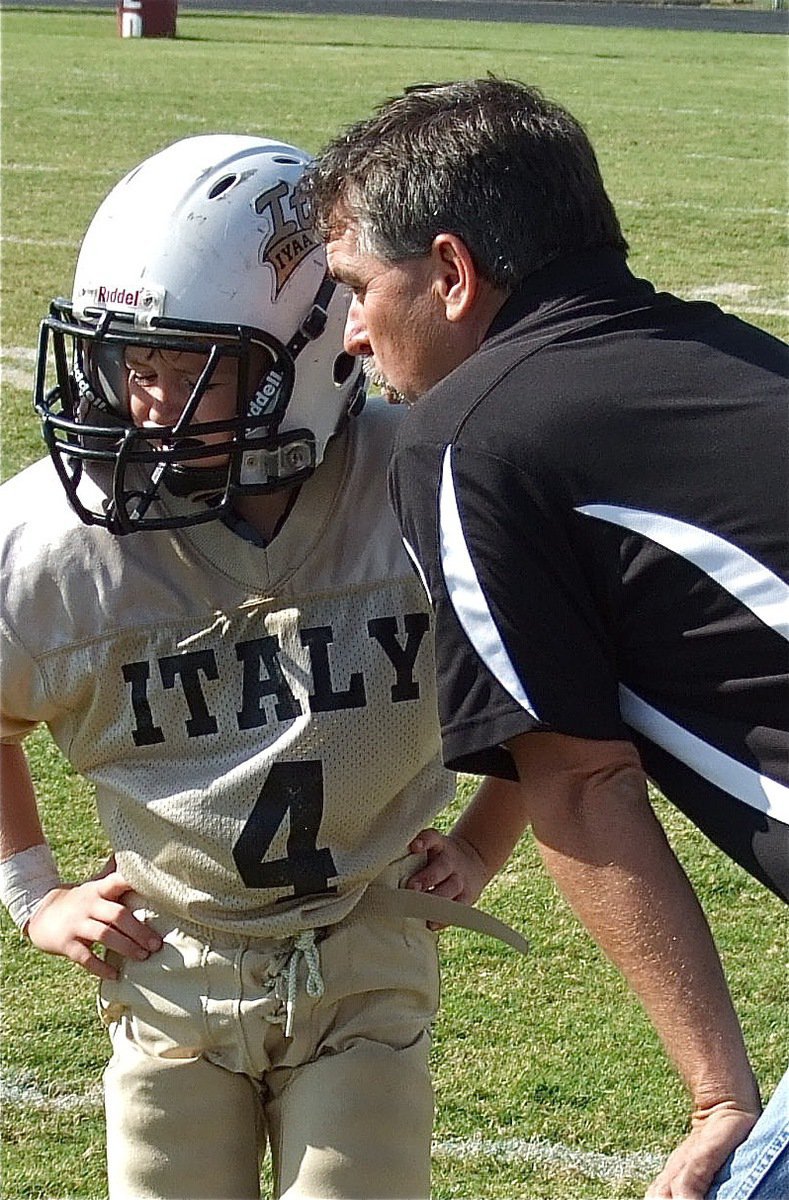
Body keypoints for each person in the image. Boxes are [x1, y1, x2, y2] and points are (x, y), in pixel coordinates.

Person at [0, 133, 525, 1200]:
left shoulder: (422, 486)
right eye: (136, 365)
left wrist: (482, 841)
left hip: (363, 948)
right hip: (170, 962)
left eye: (196, 372)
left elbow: (543, 686)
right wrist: (32, 893)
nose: (152, 406)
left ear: (317, 353)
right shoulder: (61, 545)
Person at [306, 77, 789, 1200]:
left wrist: (718, 1096)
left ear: (451, 272)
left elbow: (581, 782)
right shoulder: (742, 357)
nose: (353, 331)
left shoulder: (469, 439)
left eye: (359, 289)